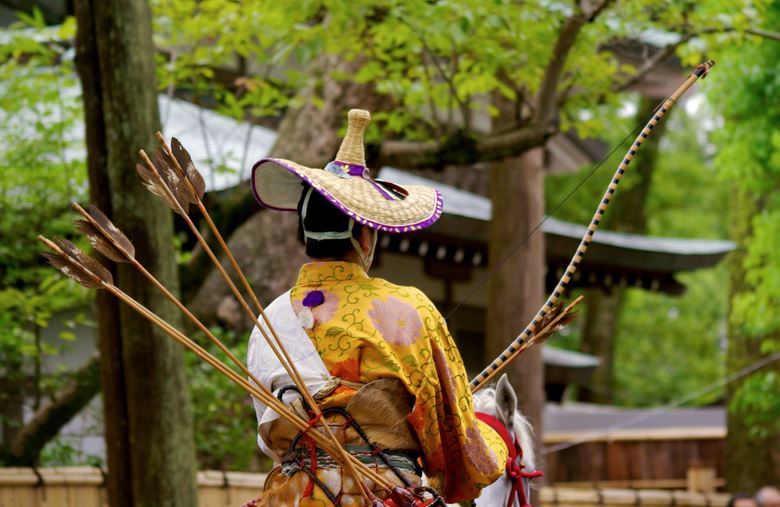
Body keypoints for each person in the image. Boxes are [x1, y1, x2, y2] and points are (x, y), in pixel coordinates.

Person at [245, 110, 507, 506]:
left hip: (291, 497)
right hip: (380, 495)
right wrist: (496, 438)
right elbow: (459, 453)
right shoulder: (407, 310)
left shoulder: (269, 321)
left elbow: (272, 436)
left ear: (303, 233)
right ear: (365, 236)